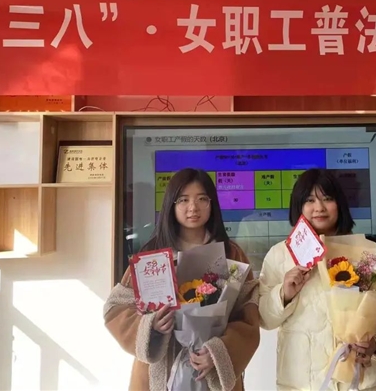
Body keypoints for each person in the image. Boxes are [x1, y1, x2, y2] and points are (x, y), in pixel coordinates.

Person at [103, 168, 260, 391]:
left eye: (202, 199)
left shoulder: (231, 253)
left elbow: (248, 316)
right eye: (183, 200)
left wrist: (218, 352)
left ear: (212, 204)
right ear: (171, 205)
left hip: (210, 372)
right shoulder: (152, 254)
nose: (193, 207)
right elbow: (115, 308)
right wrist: (150, 325)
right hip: (157, 375)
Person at [258, 168, 376, 390]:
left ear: (340, 204)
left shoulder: (369, 250)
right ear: (298, 206)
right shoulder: (280, 254)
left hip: (363, 380)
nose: (319, 208)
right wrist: (284, 294)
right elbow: (264, 318)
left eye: (327, 199)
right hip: (302, 383)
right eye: (309, 200)